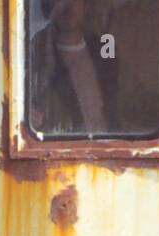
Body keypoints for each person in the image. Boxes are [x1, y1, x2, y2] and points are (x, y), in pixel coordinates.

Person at [28, 0, 119, 135]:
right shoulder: (33, 52)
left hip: (110, 148)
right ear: (49, 5)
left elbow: (130, 95)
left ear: (86, 6)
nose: (68, 5)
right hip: (63, 150)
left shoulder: (104, 49)